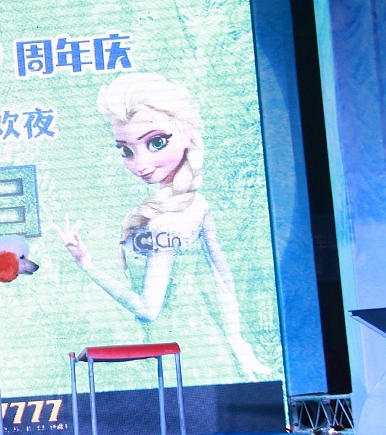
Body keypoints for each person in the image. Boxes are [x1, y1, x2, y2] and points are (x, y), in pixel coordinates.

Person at [52, 73, 272, 381]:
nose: (140, 164)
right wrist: (236, 339)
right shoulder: (197, 204)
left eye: (156, 143)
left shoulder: (165, 222)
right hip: (202, 348)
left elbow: (148, 310)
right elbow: (222, 277)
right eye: (126, 151)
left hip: (180, 359)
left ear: (187, 131)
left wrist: (87, 265)